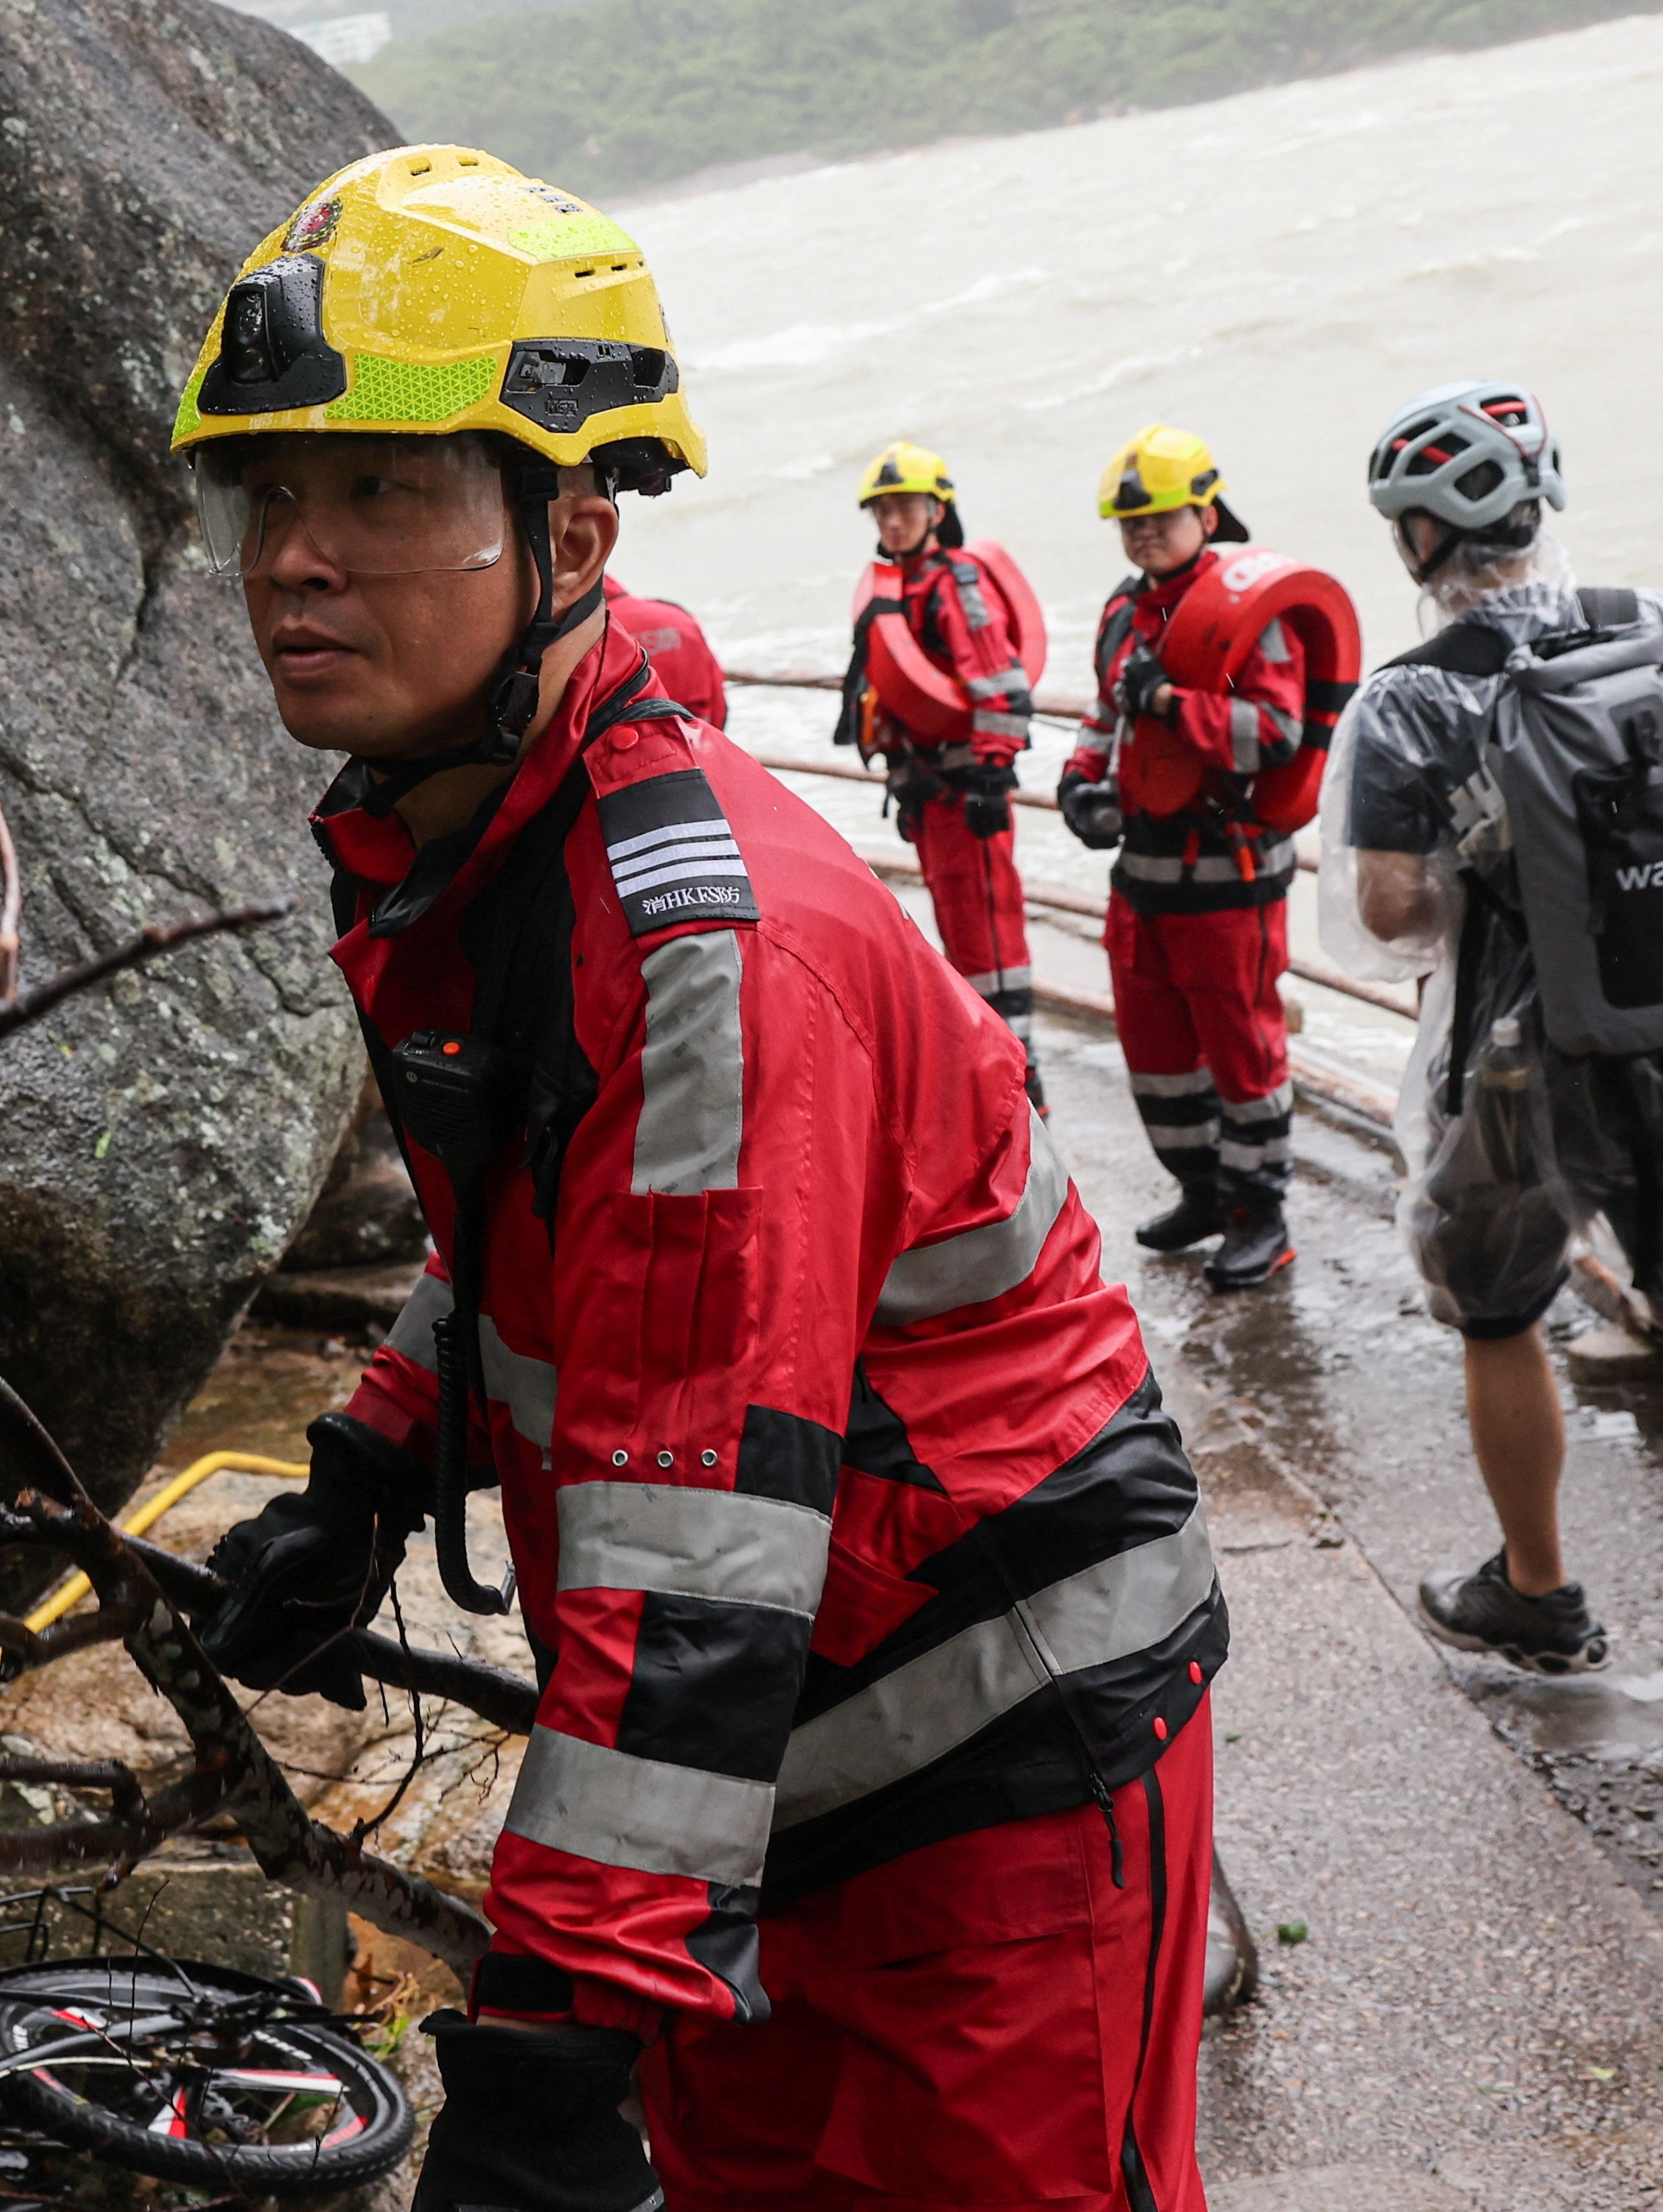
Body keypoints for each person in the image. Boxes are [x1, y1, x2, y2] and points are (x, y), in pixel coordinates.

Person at [179, 143, 1226, 2212]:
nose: (295, 557)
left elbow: (695, 1518)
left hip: (985, 1758)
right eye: (270, 492)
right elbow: (565, 1242)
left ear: (568, 529)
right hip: (762, 1770)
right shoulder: (487, 838)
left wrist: (559, 2029)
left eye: (382, 491)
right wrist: (371, 1465)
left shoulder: (703, 944)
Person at [1324, 382, 1663, 1738]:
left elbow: (1382, 916)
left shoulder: (1405, 706)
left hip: (1513, 1066)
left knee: (1499, 1314)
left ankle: (1540, 1592)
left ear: (1418, 543)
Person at [1058, 426, 1312, 1291]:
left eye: (1158, 518)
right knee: (1155, 1052)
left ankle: (1259, 1216)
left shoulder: (1250, 611)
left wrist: (1167, 700)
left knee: (1242, 1057)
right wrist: (1079, 781)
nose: (1141, 535)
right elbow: (1103, 716)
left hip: (1226, 877)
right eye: (1127, 523)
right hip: (1143, 876)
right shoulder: (1120, 612)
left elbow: (1272, 734)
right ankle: (1202, 1193)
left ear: (1204, 511)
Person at [837, 442, 1045, 1099]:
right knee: (962, 935)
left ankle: (1017, 1082)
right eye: (882, 511)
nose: (892, 522)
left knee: (990, 941)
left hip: (967, 797)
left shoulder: (955, 584)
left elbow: (1003, 688)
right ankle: (990, 1071)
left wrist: (989, 779)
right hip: (931, 796)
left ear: (937, 509)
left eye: (904, 508)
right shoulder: (905, 589)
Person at [603, 573, 728, 730]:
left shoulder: (593, 631)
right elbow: (716, 690)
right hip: (696, 735)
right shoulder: (677, 615)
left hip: (632, 742)